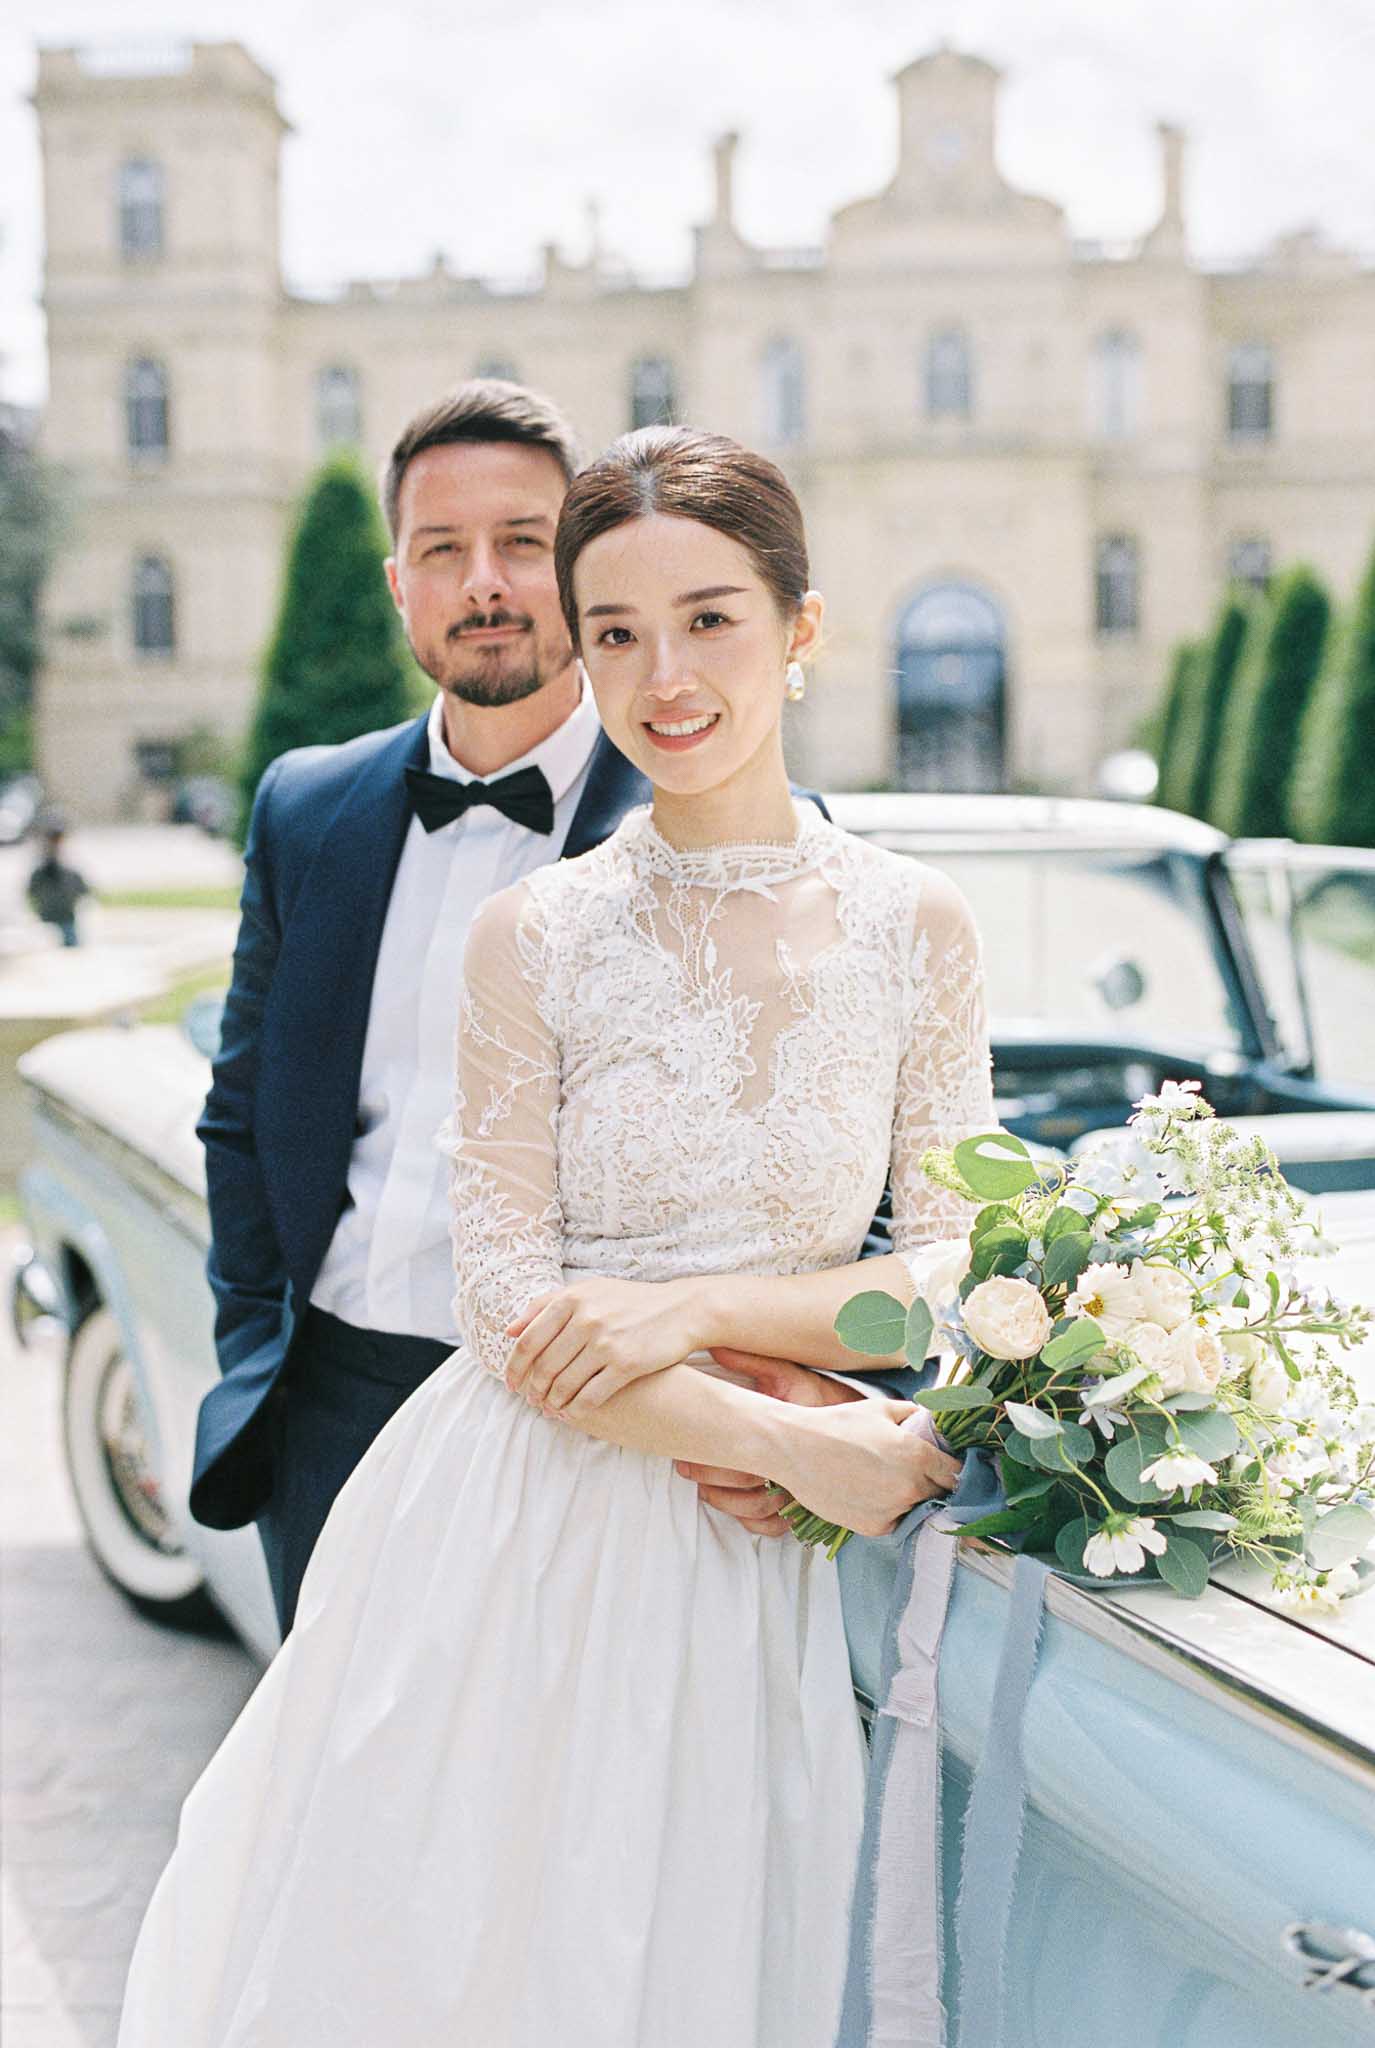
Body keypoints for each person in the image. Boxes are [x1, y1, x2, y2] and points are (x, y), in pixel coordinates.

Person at [118, 426, 994, 2048]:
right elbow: (510, 1296)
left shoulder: (916, 924)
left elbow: (952, 1273)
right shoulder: (534, 934)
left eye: (710, 619)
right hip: (522, 1528)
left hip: (762, 1574)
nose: (666, 675)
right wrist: (785, 1439)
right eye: (618, 632)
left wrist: (696, 1311)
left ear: (802, 625)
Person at [190, 379, 843, 1636]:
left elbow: (819, 1158)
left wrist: (797, 1402)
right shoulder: (306, 808)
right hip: (328, 1415)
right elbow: (242, 1115)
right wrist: (256, 1354)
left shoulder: (727, 823)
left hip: (600, 1437)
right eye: (443, 550)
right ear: (399, 584)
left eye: (522, 543)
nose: (483, 583)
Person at [26, 821, 89, 946]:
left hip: (65, 914)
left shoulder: (68, 864)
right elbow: (32, 890)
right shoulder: (42, 866)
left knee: (70, 944)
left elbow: (81, 889)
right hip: (49, 915)